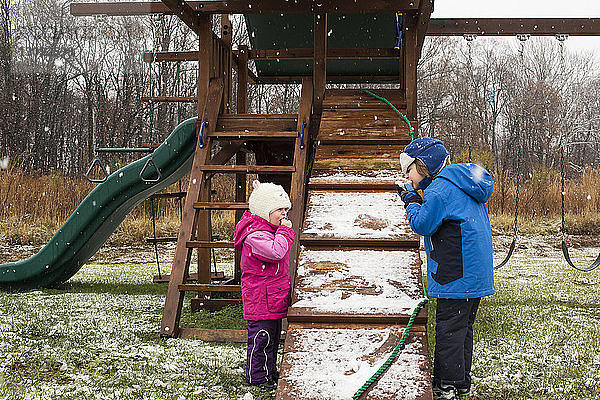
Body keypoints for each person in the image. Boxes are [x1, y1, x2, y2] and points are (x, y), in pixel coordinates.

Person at [397, 137, 494, 400]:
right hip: (475, 272)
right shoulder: (461, 182)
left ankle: (446, 385)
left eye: (409, 170)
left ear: (423, 166)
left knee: (449, 328)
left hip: (456, 273)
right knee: (463, 327)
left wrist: (410, 199)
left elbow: (423, 224)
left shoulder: (440, 190)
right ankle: (461, 381)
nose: (407, 175)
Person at [233, 180, 296, 391]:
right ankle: (256, 376)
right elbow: (275, 252)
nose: (284, 214)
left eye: (286, 209)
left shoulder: (268, 230)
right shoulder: (255, 235)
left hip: (272, 298)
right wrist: (285, 233)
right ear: (264, 210)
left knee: (272, 339)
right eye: (280, 210)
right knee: (261, 339)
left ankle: (269, 371)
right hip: (261, 300)